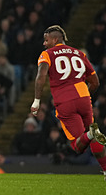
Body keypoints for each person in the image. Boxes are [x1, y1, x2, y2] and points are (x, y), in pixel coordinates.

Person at [31, 25, 106, 179]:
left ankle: (91, 134)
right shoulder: (80, 54)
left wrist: (37, 101)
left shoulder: (47, 54)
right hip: (83, 96)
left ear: (55, 39)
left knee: (78, 146)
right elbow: (95, 82)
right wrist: (84, 95)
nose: (44, 44)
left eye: (46, 40)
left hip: (64, 99)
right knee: (93, 137)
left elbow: (41, 77)